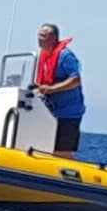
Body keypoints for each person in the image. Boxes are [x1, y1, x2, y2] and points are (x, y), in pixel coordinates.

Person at [34, 23, 85, 159]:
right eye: (39, 35)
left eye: (43, 36)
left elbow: (75, 80)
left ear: (53, 38)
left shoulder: (65, 55)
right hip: (50, 111)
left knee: (62, 151)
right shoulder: (43, 56)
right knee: (45, 146)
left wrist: (51, 89)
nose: (39, 38)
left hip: (68, 113)